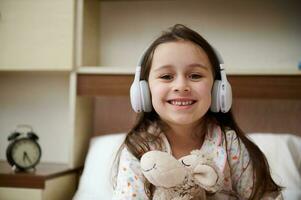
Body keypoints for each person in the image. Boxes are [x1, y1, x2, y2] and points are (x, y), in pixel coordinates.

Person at [112, 24, 282, 200]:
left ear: (218, 88)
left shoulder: (230, 145)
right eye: (166, 76)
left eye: (195, 76)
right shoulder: (138, 149)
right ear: (144, 91)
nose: (181, 86)